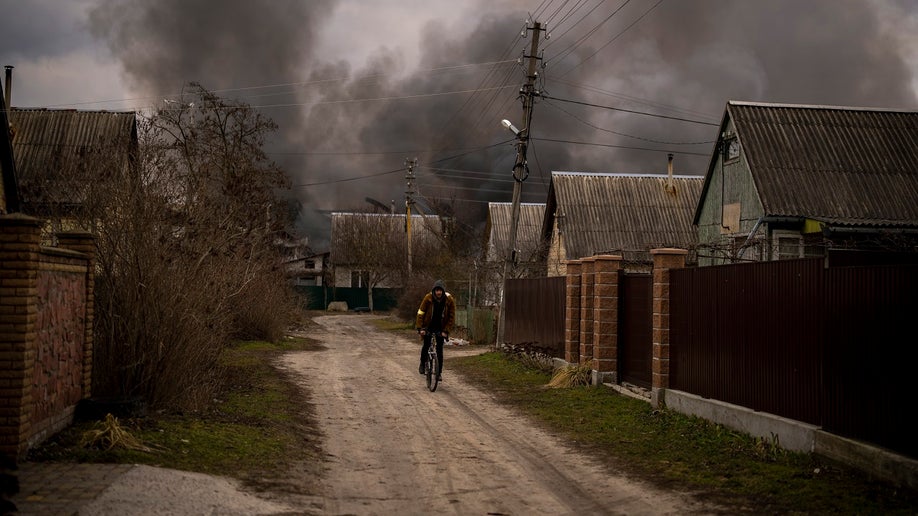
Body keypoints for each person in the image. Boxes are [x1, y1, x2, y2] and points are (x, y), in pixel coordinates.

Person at [415, 279, 456, 380]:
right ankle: (422, 364)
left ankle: (439, 373)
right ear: (434, 291)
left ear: (443, 291)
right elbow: (421, 313)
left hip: (441, 327)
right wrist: (420, 328)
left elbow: (451, 317)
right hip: (428, 325)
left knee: (439, 350)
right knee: (426, 345)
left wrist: (446, 331)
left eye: (440, 290)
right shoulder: (428, 298)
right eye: (437, 290)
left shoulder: (449, 300)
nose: (438, 292)